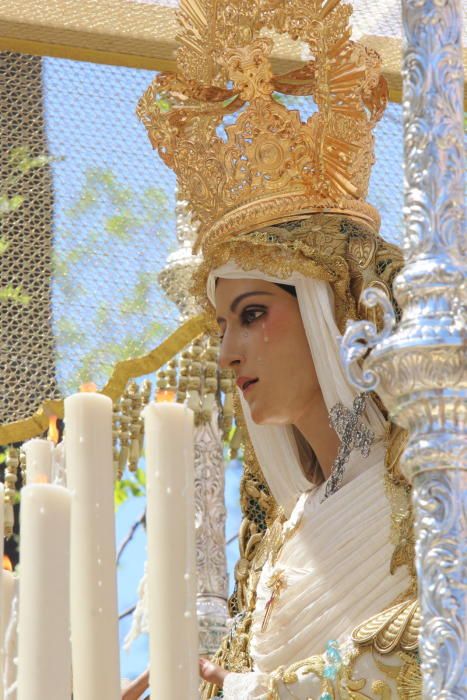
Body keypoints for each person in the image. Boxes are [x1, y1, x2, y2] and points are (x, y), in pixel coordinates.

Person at [129, 1, 421, 697]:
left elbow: (437, 642)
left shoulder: (426, 478)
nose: (228, 352)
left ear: (328, 312)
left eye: (251, 314)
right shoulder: (288, 528)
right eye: (222, 323)